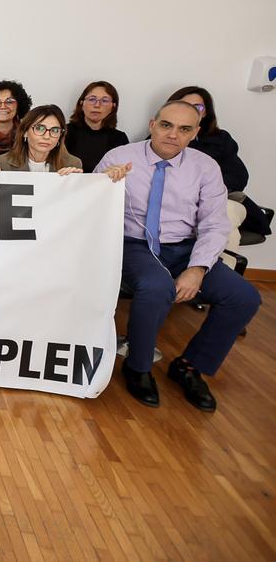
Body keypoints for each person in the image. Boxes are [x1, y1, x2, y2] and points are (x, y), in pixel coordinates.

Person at [98, 101, 261, 412]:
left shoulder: (205, 167)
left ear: (195, 133)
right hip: (133, 245)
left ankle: (189, 365)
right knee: (157, 287)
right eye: (166, 125)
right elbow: (91, 204)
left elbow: (214, 223)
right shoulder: (119, 157)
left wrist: (198, 268)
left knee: (244, 296)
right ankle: (138, 365)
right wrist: (105, 183)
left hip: (185, 247)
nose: (173, 134)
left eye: (184, 129)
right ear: (152, 124)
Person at [170, 85, 269, 237]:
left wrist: (203, 189)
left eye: (198, 107)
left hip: (219, 199)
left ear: (205, 113)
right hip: (177, 204)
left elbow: (238, 177)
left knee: (223, 222)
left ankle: (214, 260)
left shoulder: (220, 139)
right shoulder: (161, 137)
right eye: (184, 105)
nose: (190, 110)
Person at [0, 105, 83, 174]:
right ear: (25, 132)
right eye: (40, 128)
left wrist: (75, 183)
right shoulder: (3, 163)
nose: (47, 136)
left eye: (54, 130)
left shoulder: (72, 164)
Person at [64, 81, 129, 171]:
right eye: (92, 99)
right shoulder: (65, 132)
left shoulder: (119, 138)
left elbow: (124, 172)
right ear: (81, 103)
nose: (97, 105)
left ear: (113, 106)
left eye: (104, 100)